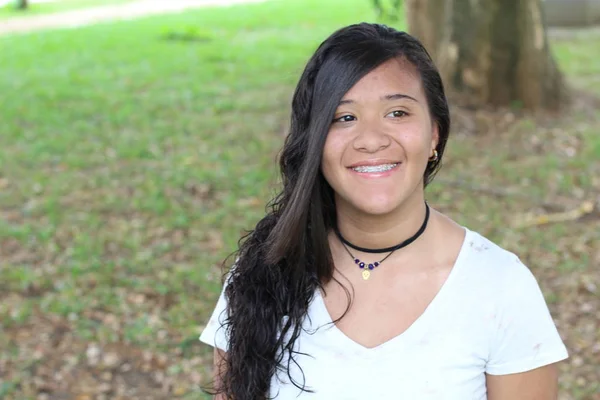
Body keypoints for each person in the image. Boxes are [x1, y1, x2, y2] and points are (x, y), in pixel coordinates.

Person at [200, 23, 569, 399]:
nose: (372, 140)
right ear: (314, 141)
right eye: (344, 118)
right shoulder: (264, 271)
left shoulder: (500, 286)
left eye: (397, 112)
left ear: (434, 135)